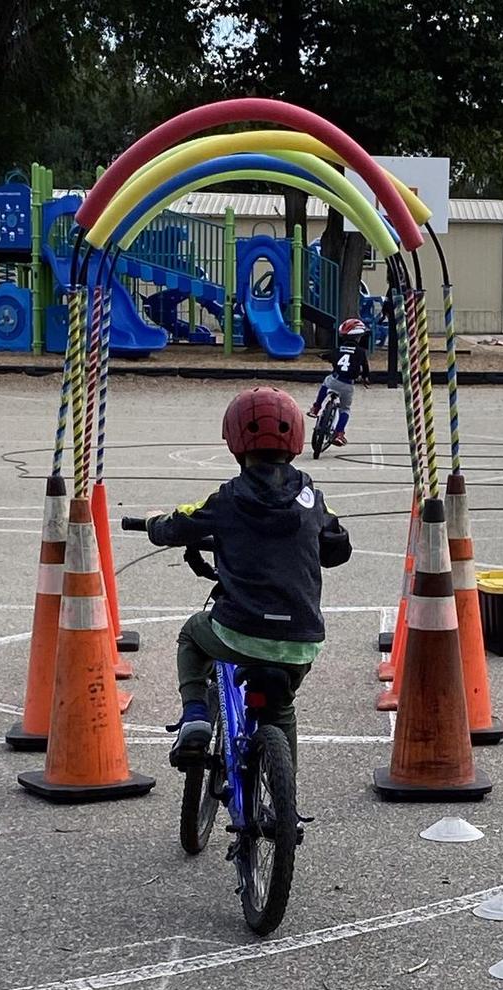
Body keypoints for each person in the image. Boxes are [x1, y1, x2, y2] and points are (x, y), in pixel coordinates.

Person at [145, 387, 353, 769]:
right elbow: (337, 548)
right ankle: (284, 803)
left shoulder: (228, 498)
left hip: (238, 632)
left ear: (236, 442)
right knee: (280, 709)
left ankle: (194, 715)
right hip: (300, 642)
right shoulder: (311, 497)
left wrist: (153, 524)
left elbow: (178, 525)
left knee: (193, 634)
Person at [307, 318, 371, 446]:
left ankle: (316, 407)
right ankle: (339, 433)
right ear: (359, 337)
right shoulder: (361, 352)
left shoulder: (337, 349)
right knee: (345, 409)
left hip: (335, 380)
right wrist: (365, 378)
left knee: (326, 383)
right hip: (348, 385)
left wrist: (323, 357)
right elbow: (365, 368)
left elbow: (330, 357)